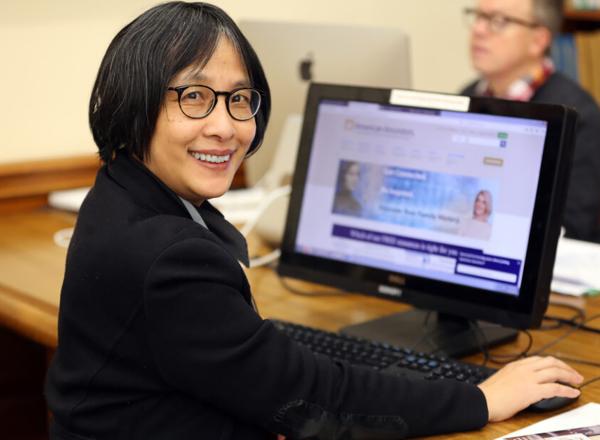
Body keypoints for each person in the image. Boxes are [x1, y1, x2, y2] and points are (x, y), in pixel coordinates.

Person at [45, 2, 583, 439]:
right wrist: (482, 398)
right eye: (194, 97)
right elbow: (311, 397)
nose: (225, 126)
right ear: (132, 105)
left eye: (239, 100)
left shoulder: (119, 193)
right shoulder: (168, 257)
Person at [461, 0, 600, 243]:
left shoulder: (578, 115)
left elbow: (574, 226)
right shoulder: (466, 96)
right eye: (478, 16)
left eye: (498, 21)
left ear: (538, 40)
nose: (479, 30)